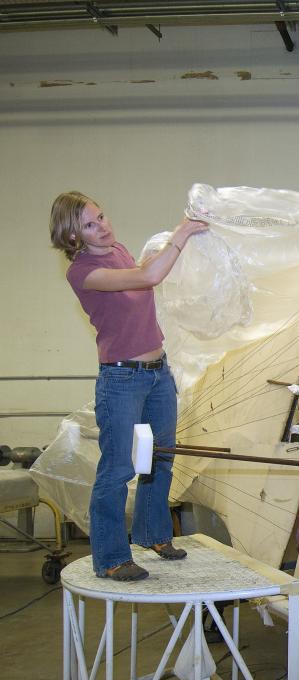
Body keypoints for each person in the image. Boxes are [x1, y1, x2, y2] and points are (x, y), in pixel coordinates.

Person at [50, 191, 208, 582]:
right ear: (72, 237)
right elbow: (148, 276)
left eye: (100, 216)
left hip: (158, 371)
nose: (102, 226)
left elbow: (144, 276)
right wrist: (182, 233)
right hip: (121, 379)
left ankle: (154, 535)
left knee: (161, 457)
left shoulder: (117, 249)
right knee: (119, 468)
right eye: (90, 224)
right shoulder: (82, 272)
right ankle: (110, 558)